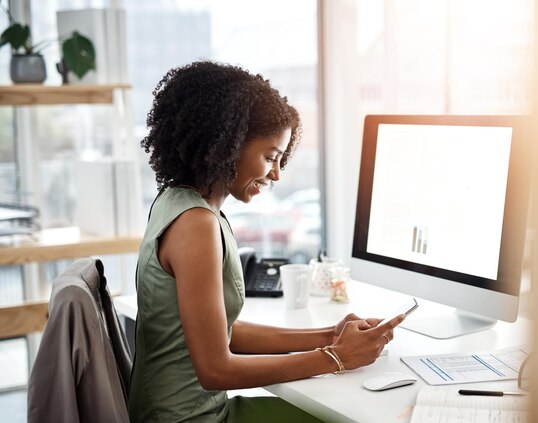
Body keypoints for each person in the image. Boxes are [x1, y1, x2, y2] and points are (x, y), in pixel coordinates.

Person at [128, 61, 404, 422]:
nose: (276, 173)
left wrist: (330, 336)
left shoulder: (178, 203)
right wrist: (337, 359)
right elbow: (216, 370)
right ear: (226, 145)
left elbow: (225, 334)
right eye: (270, 157)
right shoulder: (196, 225)